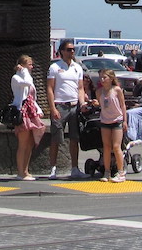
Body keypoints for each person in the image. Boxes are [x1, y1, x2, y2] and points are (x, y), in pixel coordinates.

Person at [46, 38, 87, 179]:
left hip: (74, 106)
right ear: (62, 51)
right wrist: (53, 108)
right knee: (56, 137)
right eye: (69, 50)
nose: (72, 52)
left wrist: (82, 103)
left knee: (74, 138)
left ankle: (74, 168)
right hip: (60, 106)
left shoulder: (77, 67)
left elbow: (80, 88)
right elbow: (50, 88)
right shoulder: (55, 67)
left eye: (73, 50)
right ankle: (53, 168)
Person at [11, 55, 46, 179]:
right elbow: (27, 83)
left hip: (31, 111)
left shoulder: (27, 76)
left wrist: (38, 110)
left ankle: (25, 170)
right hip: (22, 111)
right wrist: (23, 71)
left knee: (30, 142)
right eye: (29, 64)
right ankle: (20, 172)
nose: (32, 67)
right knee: (23, 143)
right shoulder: (16, 78)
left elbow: (32, 97)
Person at [96, 68, 127, 182]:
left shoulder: (117, 90)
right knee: (106, 147)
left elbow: (123, 105)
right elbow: (101, 105)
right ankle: (107, 171)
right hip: (105, 120)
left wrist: (125, 120)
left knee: (116, 146)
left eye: (105, 77)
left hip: (117, 120)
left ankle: (121, 171)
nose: (102, 80)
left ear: (111, 78)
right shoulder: (99, 92)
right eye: (101, 78)